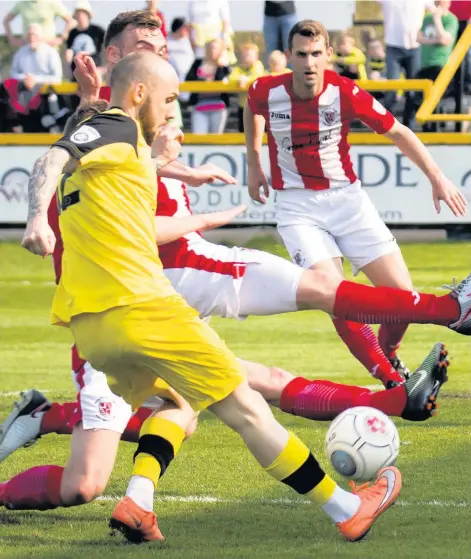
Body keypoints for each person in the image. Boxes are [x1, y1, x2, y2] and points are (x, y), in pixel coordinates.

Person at [5, 51, 403, 547]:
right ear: (138, 94)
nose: (172, 110)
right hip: (145, 309)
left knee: (181, 401)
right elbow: (52, 156)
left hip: (92, 331)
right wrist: (35, 220)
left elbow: (75, 151)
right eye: (169, 98)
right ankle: (348, 508)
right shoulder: (120, 127)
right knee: (247, 408)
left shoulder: (108, 150)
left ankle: (139, 501)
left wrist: (87, 105)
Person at [244, 19, 469, 387]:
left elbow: (397, 130)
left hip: (348, 201)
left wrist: (436, 176)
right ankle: (390, 380)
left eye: (317, 54)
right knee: (335, 294)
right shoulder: (265, 90)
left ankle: (389, 354)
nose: (310, 62)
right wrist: (254, 160)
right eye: (301, 54)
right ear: (289, 57)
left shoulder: (345, 91)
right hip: (297, 208)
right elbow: (251, 106)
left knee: (401, 301)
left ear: (329, 55)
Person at [376, 0, 434, 128]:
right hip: (393, 45)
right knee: (392, 87)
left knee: (413, 89)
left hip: (415, 47)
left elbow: (435, 11)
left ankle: (409, 125)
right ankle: (387, 125)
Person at [185, 38, 231, 134]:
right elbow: (188, 79)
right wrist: (203, 82)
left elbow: (224, 82)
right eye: (211, 47)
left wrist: (221, 66)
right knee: (199, 137)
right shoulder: (197, 63)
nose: (213, 50)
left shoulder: (223, 67)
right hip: (199, 107)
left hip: (218, 107)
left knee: (216, 138)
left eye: (216, 48)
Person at [3, 0, 75, 48]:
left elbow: (71, 22)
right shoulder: (22, 4)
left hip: (48, 48)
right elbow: (6, 21)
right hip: (28, 49)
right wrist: (12, 39)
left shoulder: (53, 3)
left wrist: (61, 38)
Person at [228, 42, 265, 132]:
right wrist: (239, 79)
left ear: (256, 57)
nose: (248, 57)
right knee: (243, 132)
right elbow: (231, 78)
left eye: (250, 55)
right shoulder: (238, 69)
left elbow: (258, 76)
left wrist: (246, 79)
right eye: (245, 55)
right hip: (243, 106)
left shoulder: (258, 65)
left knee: (257, 132)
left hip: (257, 107)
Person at [65, 1, 105, 80]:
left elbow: (110, 46)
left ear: (88, 15)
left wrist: (104, 69)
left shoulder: (97, 31)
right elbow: (69, 53)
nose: (80, 16)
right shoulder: (72, 33)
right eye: (78, 13)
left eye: (82, 13)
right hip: (77, 74)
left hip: (94, 72)